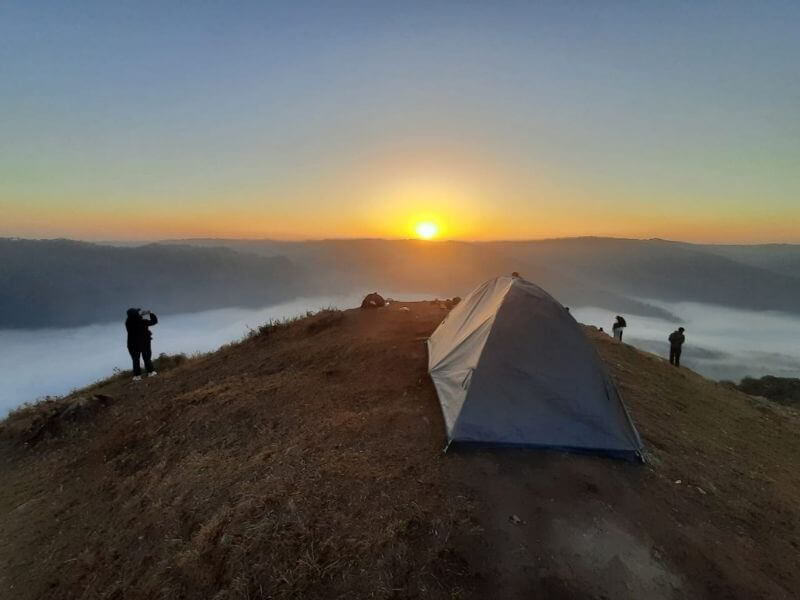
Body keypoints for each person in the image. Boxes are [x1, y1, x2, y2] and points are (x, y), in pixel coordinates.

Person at [125, 308, 158, 381]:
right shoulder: (142, 322)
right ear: (136, 315)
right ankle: (150, 372)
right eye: (137, 312)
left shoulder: (128, 323)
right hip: (144, 342)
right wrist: (150, 313)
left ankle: (137, 376)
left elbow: (132, 318)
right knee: (146, 358)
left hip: (132, 344)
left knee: (135, 359)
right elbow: (154, 321)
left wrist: (139, 315)